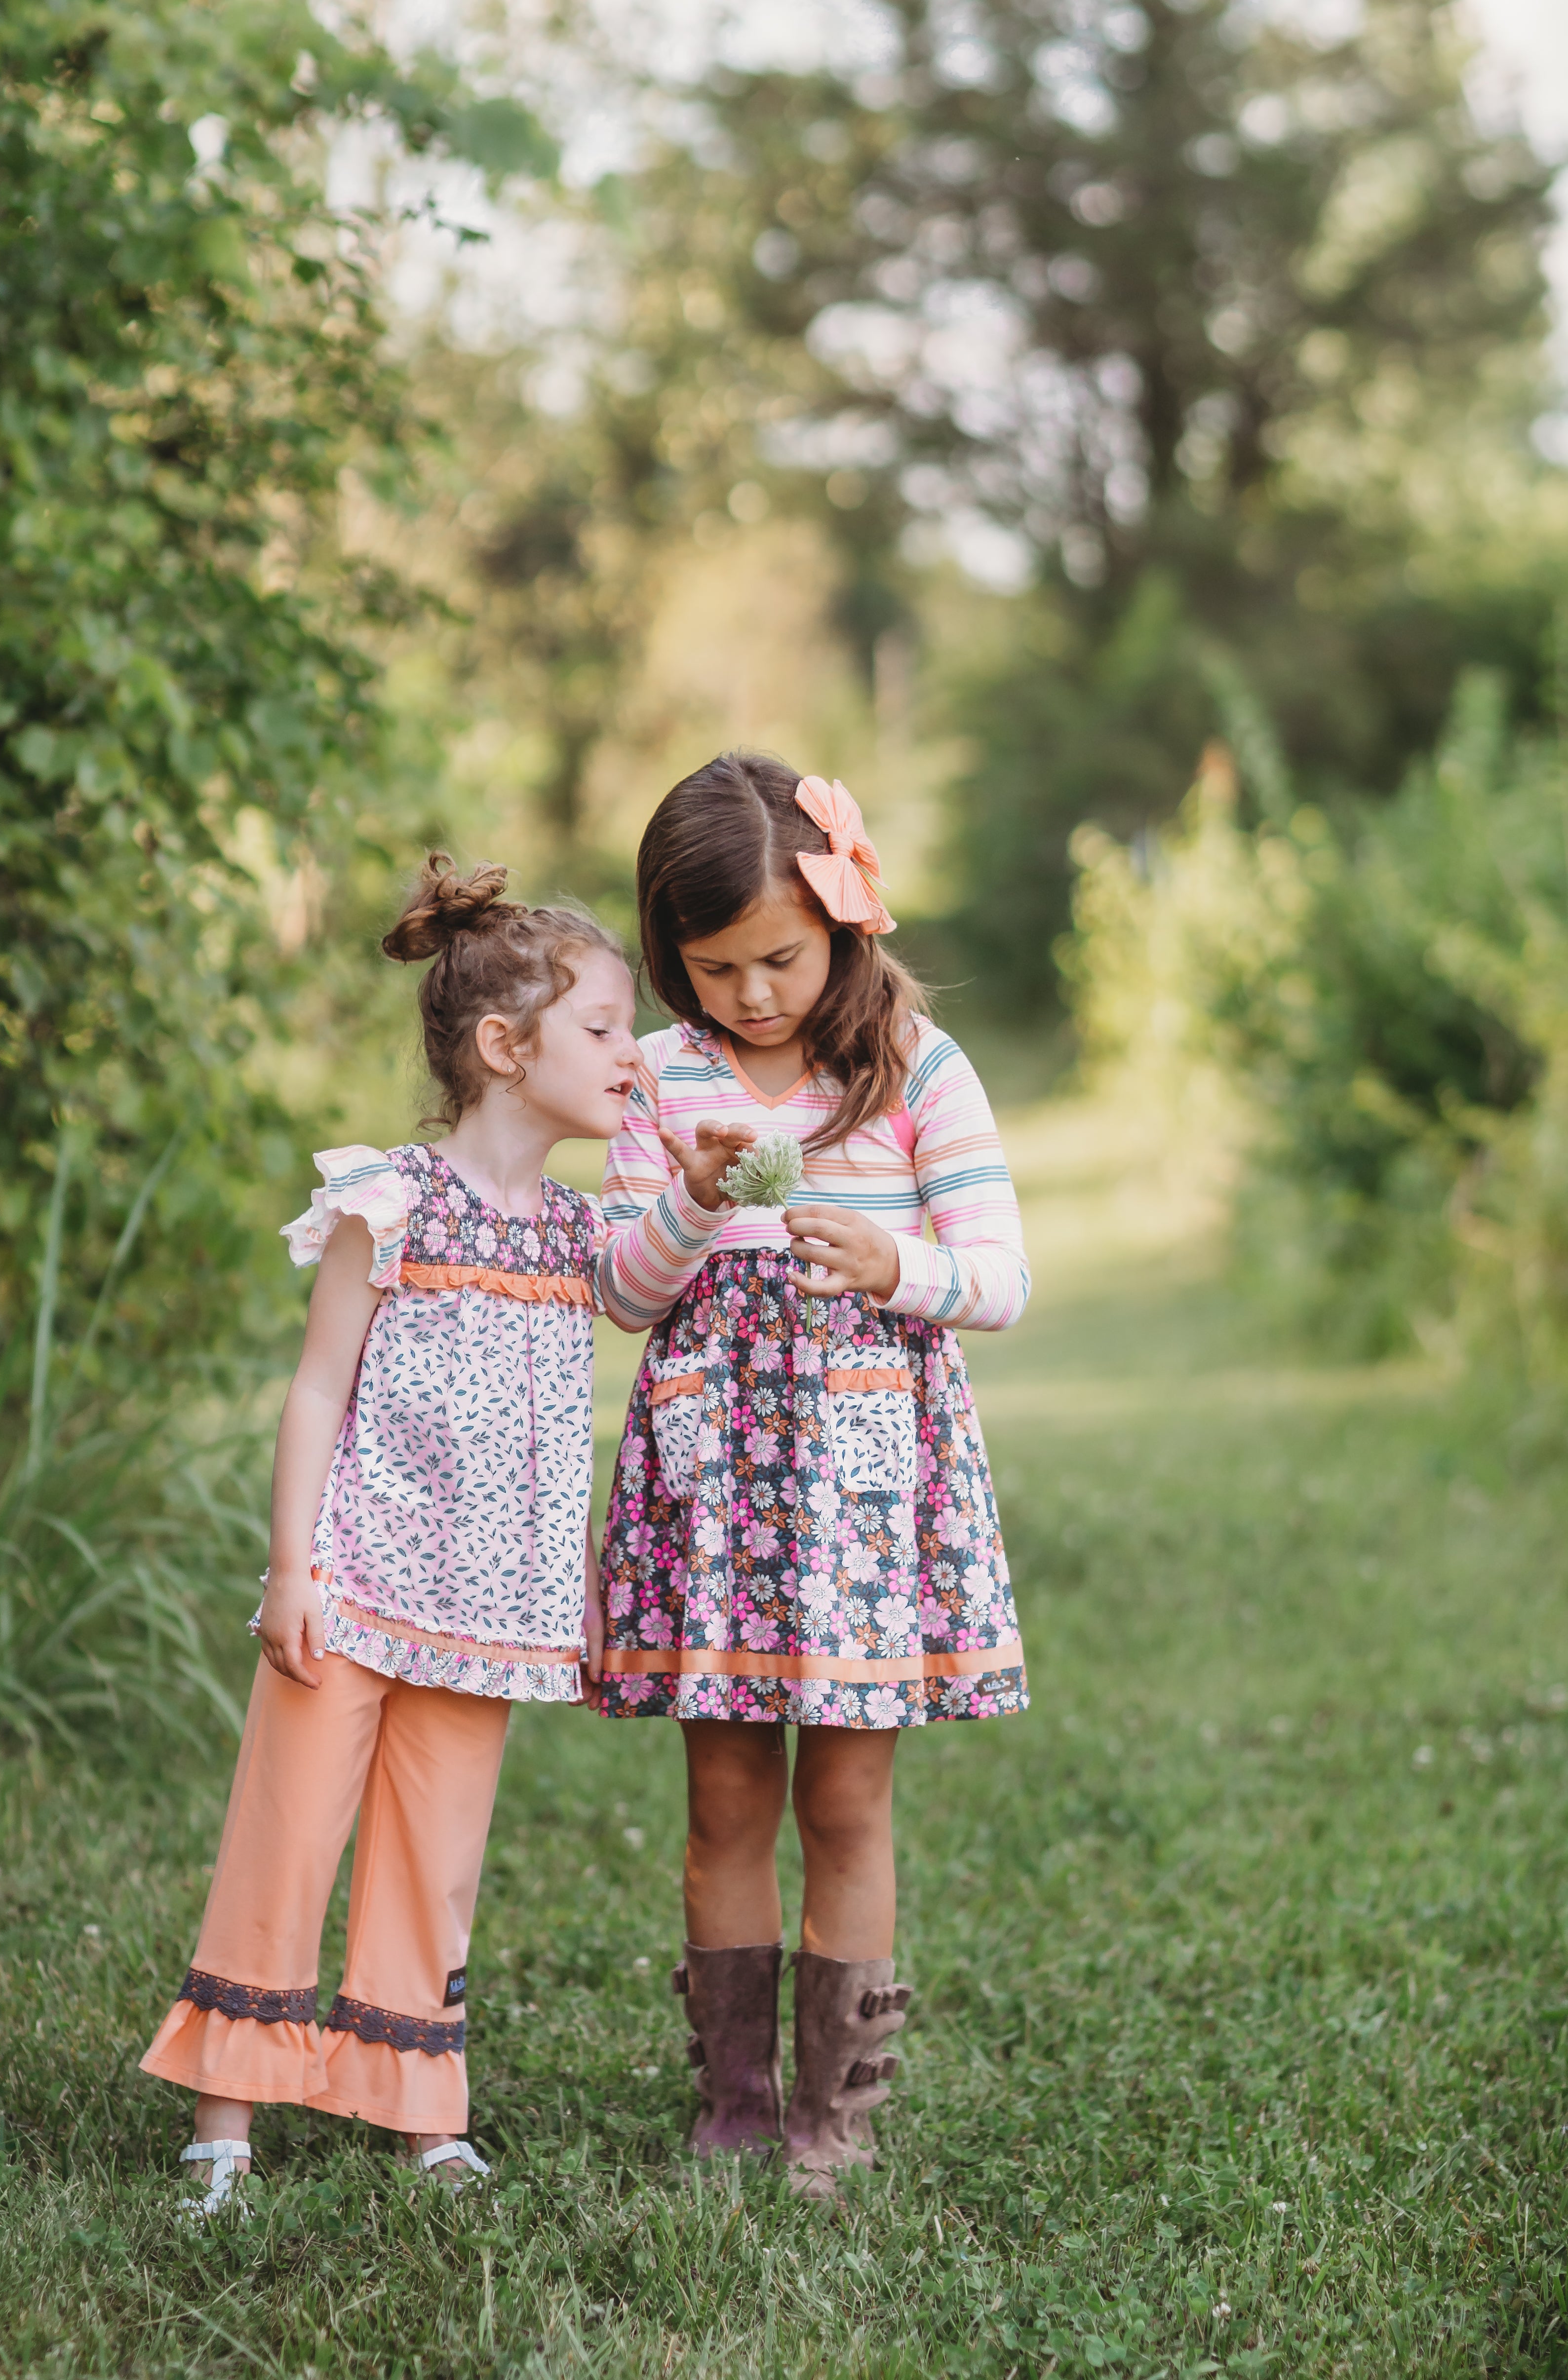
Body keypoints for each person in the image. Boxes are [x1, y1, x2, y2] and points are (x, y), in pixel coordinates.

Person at [140, 855, 639, 2217]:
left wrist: (702, 1183)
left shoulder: (582, 1234)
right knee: (289, 1835)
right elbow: (316, 1389)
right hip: (357, 1586)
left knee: (439, 1856)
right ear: (503, 1047)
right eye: (605, 1030)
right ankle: (226, 2119)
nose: (633, 1056)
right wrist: (293, 1566)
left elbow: (651, 1289)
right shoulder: (392, 1205)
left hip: (490, 1612)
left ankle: (420, 2109)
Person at [592, 752, 1030, 2197]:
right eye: (714, 969)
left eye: (778, 958)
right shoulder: (656, 1081)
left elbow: (1003, 1279)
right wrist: (691, 1197)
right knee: (726, 1801)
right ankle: (733, 2095)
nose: (753, 997)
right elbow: (625, 1290)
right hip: (718, 1489)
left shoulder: (913, 1069)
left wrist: (898, 1266)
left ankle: (831, 2121)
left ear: (843, 918)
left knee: (844, 1803)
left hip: (859, 1492)